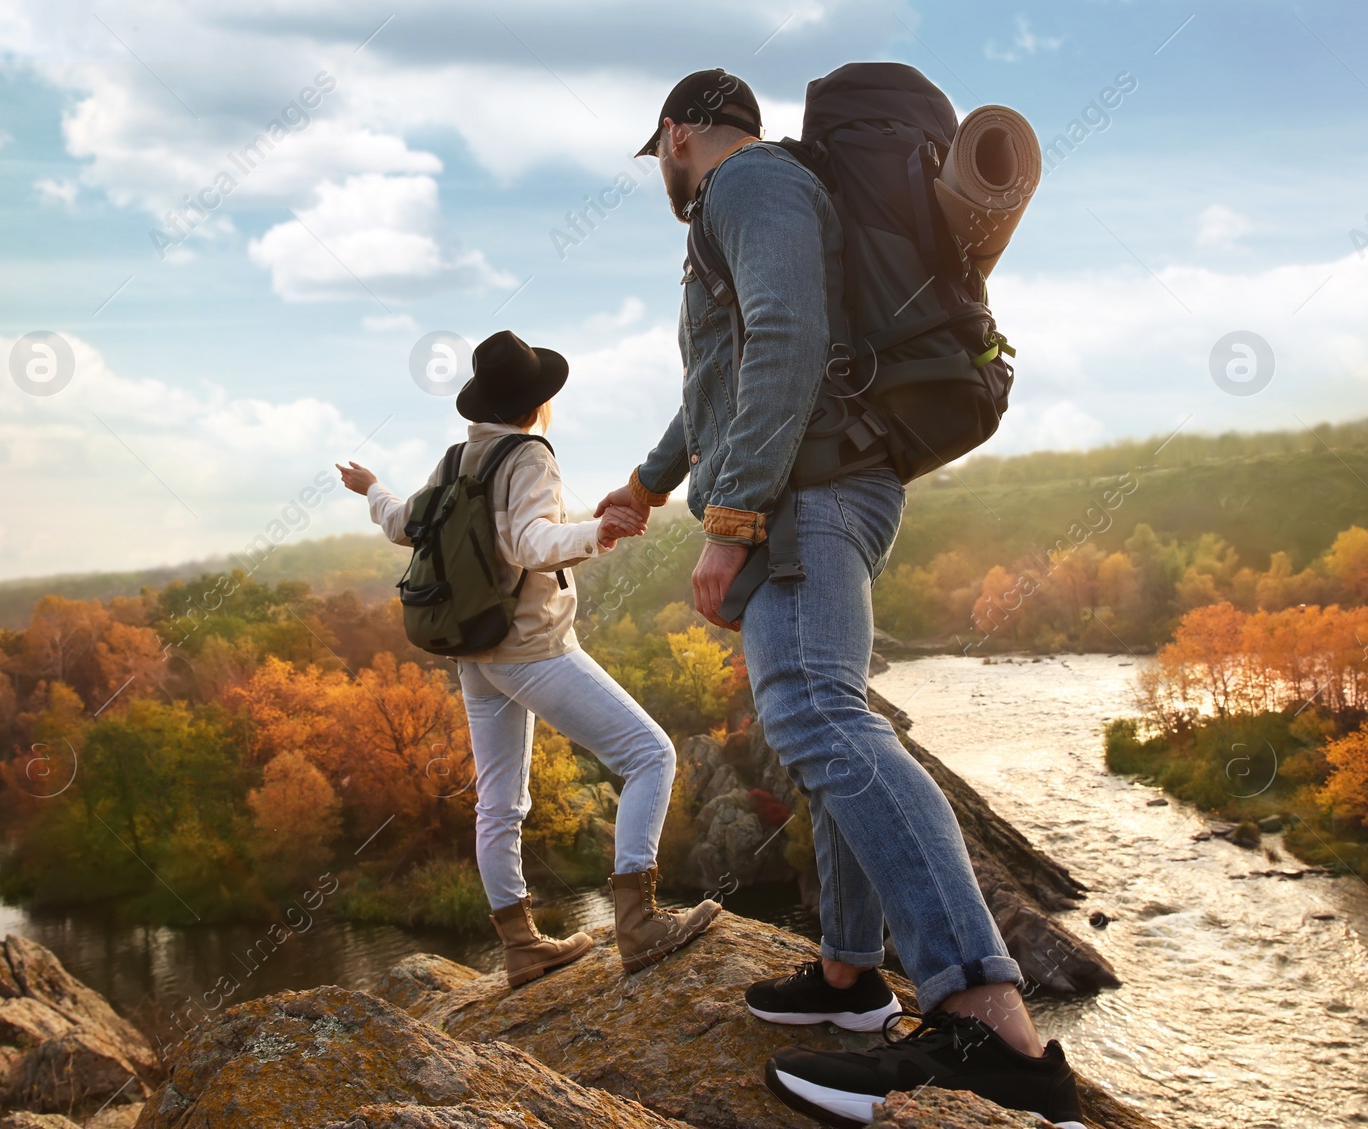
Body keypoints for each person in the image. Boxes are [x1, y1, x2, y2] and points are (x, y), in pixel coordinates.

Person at [595, 72, 1085, 1128]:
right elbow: (720, 384)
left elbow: (784, 336)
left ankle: (990, 1027)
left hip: (806, 496)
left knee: (817, 716)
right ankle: (849, 978)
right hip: (815, 484)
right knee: (832, 723)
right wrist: (646, 484)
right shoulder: (773, 191)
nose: (667, 170)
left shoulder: (750, 186)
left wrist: (725, 524)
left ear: (676, 134)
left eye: (663, 152)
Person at [338, 329, 720, 990]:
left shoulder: (459, 456)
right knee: (650, 755)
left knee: (499, 801)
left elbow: (404, 523)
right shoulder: (530, 454)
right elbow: (530, 540)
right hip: (530, 649)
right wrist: (597, 532)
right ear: (534, 404)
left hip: (475, 657)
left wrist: (371, 487)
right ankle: (638, 924)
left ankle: (521, 947)